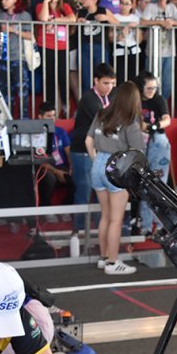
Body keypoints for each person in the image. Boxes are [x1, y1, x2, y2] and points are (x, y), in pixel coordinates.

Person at [86, 80, 144, 275]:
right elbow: (137, 153)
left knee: (105, 215)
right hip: (116, 169)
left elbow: (88, 140)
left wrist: (97, 160)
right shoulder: (130, 122)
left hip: (97, 165)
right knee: (116, 220)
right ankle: (112, 262)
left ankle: (104, 258)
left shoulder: (101, 114)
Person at [70, 62, 117, 234]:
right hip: (83, 152)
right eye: (106, 83)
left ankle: (98, 229)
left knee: (100, 192)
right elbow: (105, 121)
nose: (109, 87)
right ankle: (79, 229)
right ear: (96, 81)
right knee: (84, 191)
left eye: (112, 83)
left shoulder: (109, 97)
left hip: (100, 151)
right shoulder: (89, 98)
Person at [137, 71, 170, 234]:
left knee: (159, 183)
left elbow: (167, 120)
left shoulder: (158, 99)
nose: (152, 91)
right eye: (149, 88)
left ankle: (162, 223)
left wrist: (155, 126)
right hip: (140, 142)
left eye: (154, 88)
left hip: (158, 141)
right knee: (145, 184)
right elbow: (138, 124)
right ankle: (146, 224)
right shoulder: (135, 101)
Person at [0, 0, 34, 119]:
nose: (3, 2)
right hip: (3, 57)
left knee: (22, 90)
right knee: (5, 92)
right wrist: (0, 32)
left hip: (19, 57)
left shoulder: (24, 15)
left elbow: (30, 35)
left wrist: (14, 30)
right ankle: (7, 118)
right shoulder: (0, 15)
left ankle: (24, 118)